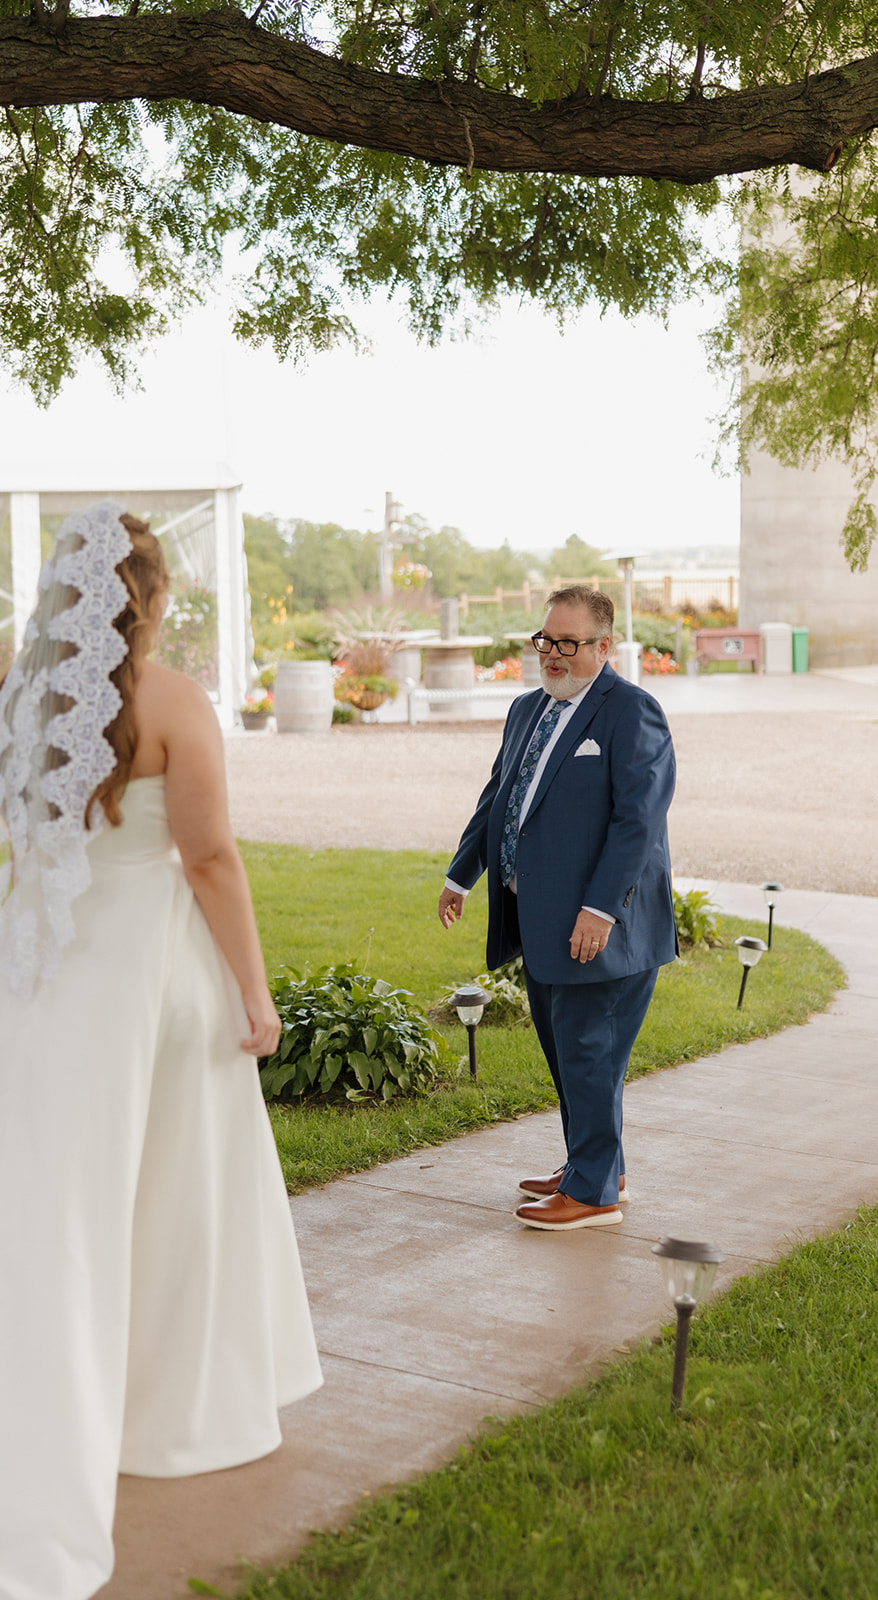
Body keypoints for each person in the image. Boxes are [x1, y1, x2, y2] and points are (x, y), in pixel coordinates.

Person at [0, 502, 322, 1600]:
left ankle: (78, 1398)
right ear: (151, 594)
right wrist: (256, 989)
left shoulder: (25, 701)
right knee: (179, 1194)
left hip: (41, 984)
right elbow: (210, 859)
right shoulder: (176, 701)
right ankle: (172, 1416)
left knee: (63, 1205)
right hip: (151, 982)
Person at [438, 584, 677, 1231]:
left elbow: (638, 822)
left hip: (602, 927)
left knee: (588, 1052)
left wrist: (599, 909)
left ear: (604, 647)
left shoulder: (631, 712)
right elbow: (499, 800)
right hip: (539, 921)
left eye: (567, 644)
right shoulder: (527, 710)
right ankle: (594, 1166)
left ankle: (593, 1196)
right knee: (570, 1051)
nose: (552, 654)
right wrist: (461, 875)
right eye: (545, 640)